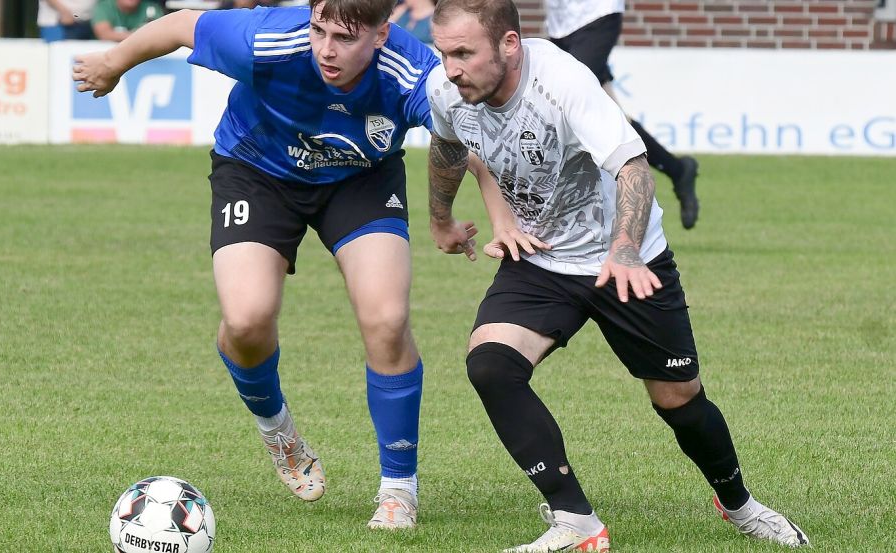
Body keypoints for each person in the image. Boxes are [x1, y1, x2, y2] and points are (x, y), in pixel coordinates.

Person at [424, 0, 810, 550]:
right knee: (490, 365)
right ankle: (576, 523)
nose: (452, 67)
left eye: (464, 53)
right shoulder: (448, 90)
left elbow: (632, 164)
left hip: (625, 262)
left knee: (678, 398)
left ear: (510, 45)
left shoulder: (563, 80)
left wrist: (625, 248)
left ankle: (741, 506)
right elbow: (446, 146)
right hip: (542, 257)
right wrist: (441, 220)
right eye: (445, 53)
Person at [72, 0, 446, 529]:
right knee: (247, 320)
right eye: (318, 31)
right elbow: (183, 24)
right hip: (257, 169)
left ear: (384, 34)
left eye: (344, 37)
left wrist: (464, 217)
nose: (326, 49)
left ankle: (398, 488)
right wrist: (115, 63)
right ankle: (279, 431)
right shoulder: (268, 39)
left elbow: (466, 139)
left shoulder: (414, 71)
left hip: (360, 180)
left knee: (386, 319)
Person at [545, 0, 700, 230]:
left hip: (596, 14)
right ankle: (677, 170)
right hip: (560, 22)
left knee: (568, 99)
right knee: (612, 114)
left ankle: (576, 210)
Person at [92, 0, 164, 42]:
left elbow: (160, 35)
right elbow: (104, 35)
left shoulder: (151, 8)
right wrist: (139, 35)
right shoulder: (104, 6)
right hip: (108, 54)